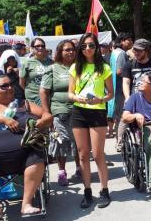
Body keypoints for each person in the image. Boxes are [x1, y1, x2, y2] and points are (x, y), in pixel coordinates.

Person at [0, 74, 53, 220]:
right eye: (4, 86)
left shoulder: (24, 104)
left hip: (23, 155)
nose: (10, 88)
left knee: (37, 154)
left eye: (11, 84)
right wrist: (2, 119)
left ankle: (26, 204)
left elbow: (47, 116)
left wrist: (42, 122)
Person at [68, 33, 113, 209]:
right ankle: (87, 191)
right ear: (80, 48)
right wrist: (77, 98)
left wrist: (99, 100)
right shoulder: (75, 67)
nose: (88, 49)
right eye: (84, 46)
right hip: (79, 112)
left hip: (97, 113)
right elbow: (70, 94)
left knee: (98, 154)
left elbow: (111, 93)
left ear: (97, 47)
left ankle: (104, 190)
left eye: (91, 46)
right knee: (83, 154)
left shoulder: (104, 68)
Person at [40, 40, 80, 186]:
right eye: (67, 50)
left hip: (79, 110)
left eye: (73, 49)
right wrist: (46, 112)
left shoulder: (80, 67)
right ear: (60, 52)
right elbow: (44, 91)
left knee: (78, 142)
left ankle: (79, 168)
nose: (71, 52)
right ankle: (62, 172)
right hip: (60, 111)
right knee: (61, 142)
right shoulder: (52, 69)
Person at [122, 74, 151, 191]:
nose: (140, 82)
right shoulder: (135, 97)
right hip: (144, 128)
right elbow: (124, 117)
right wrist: (135, 115)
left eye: (144, 81)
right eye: (140, 80)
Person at [107, 32, 133, 151]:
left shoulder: (114, 52)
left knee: (118, 117)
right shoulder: (122, 53)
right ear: (122, 41)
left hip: (114, 89)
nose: (131, 42)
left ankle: (119, 141)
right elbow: (119, 71)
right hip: (120, 90)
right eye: (129, 40)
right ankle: (120, 143)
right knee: (123, 117)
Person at [19, 38, 53, 105]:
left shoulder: (51, 62)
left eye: (42, 46)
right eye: (37, 46)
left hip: (48, 96)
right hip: (33, 98)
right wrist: (30, 92)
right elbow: (21, 83)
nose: (40, 48)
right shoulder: (26, 63)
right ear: (32, 48)